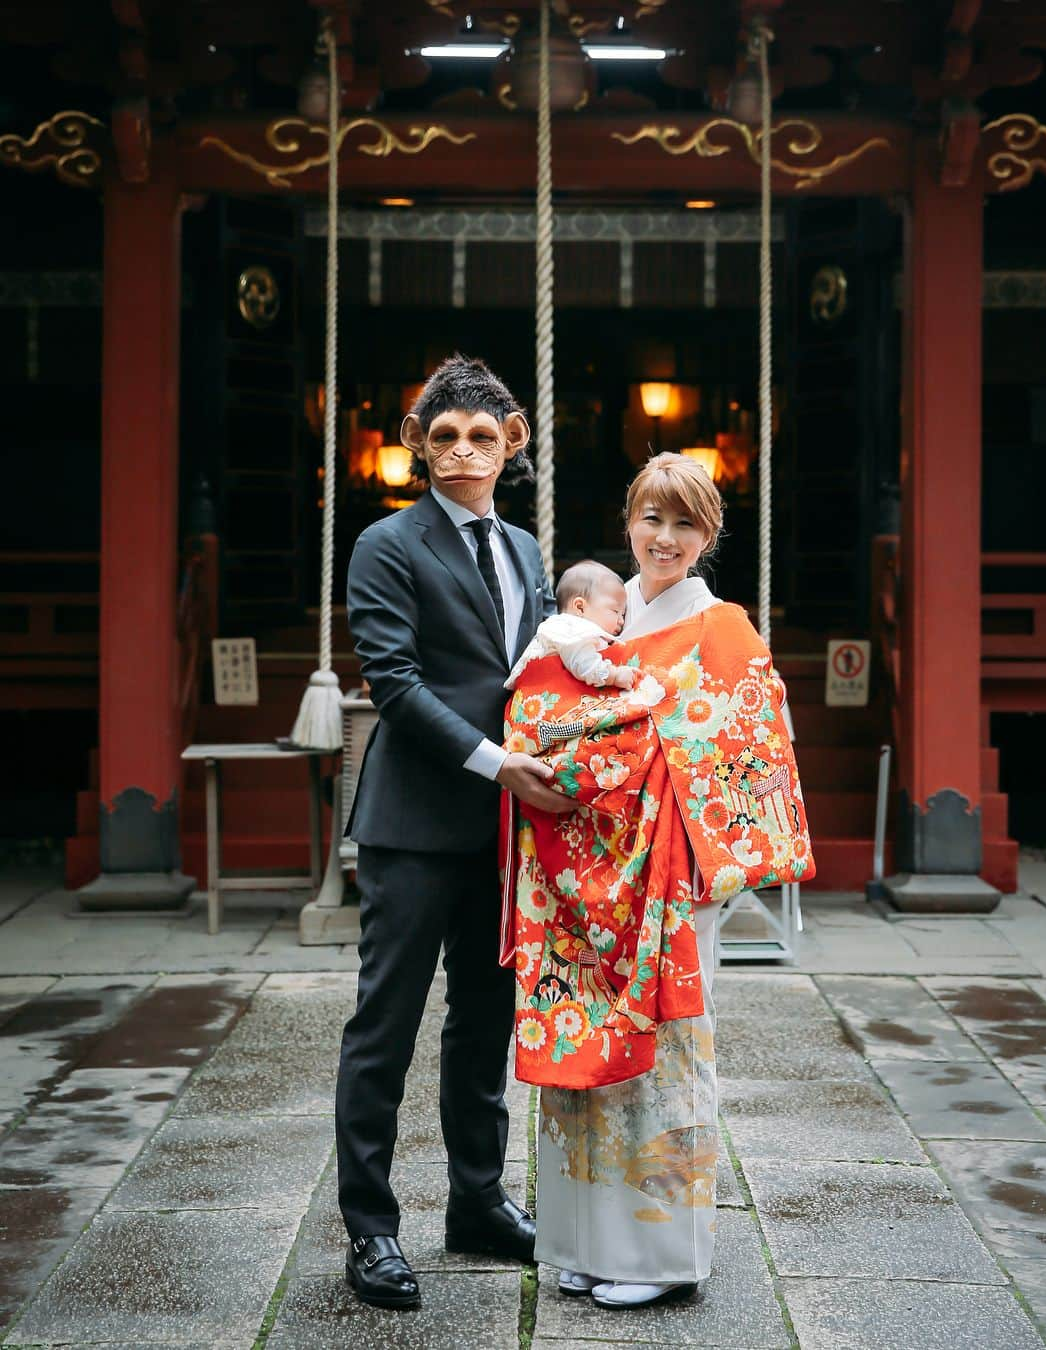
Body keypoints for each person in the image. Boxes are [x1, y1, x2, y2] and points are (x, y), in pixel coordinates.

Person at [335, 355, 571, 1311]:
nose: (464, 450)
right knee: (383, 1029)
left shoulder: (523, 549)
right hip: (416, 822)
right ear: (417, 448)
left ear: (511, 442)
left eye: (482, 435)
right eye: (445, 436)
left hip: (507, 830)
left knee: (486, 1024)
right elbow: (394, 683)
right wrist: (493, 759)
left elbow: (547, 668)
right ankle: (372, 1230)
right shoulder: (385, 544)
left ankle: (477, 1202)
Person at [535, 452, 727, 1308]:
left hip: (671, 870)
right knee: (582, 1044)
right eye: (653, 518)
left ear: (707, 536)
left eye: (685, 523)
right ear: (629, 522)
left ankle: (658, 1258)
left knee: (664, 1059)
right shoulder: (599, 622)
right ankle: (582, 1240)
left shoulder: (722, 628)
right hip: (586, 868)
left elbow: (744, 753)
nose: (666, 538)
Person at [505, 559, 637, 693]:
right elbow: (585, 666)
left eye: (623, 614)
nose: (621, 621)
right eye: (615, 611)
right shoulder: (571, 630)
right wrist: (614, 675)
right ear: (580, 607)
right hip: (540, 695)